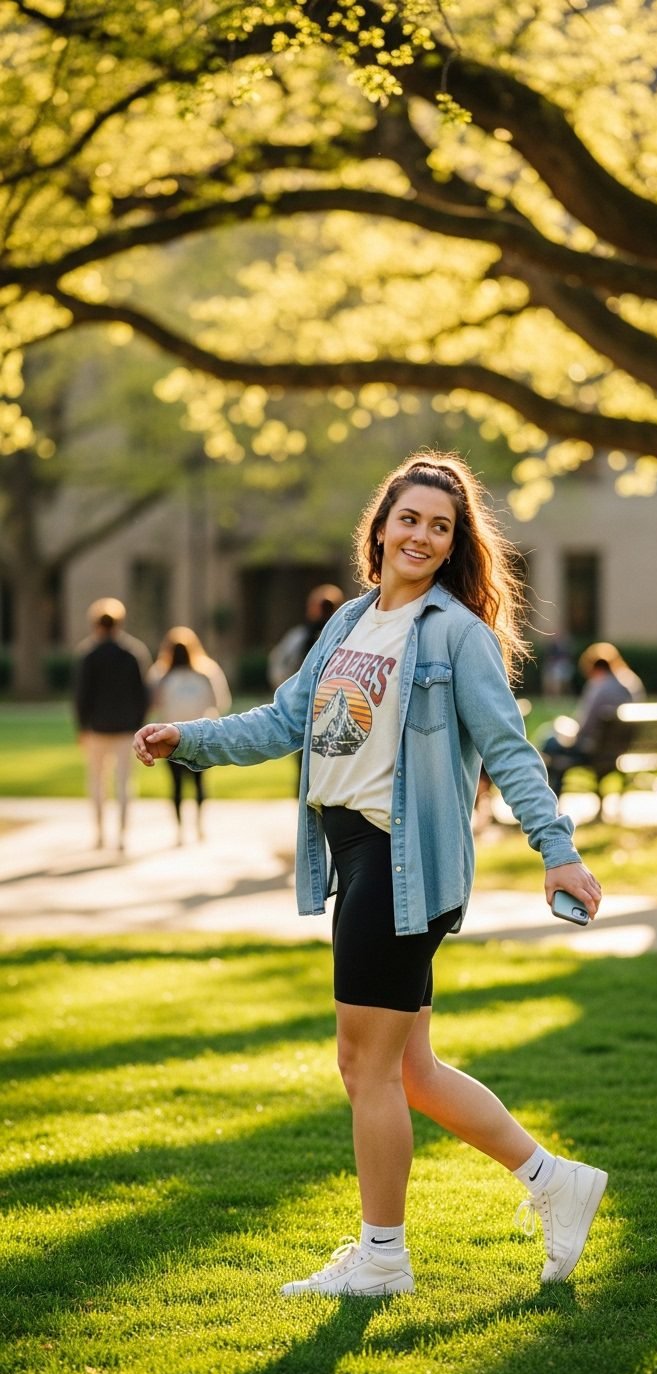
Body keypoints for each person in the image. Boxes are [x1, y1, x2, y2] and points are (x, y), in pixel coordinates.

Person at [134, 450, 606, 1297]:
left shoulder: (457, 633)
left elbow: (509, 748)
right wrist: (192, 739)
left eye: (441, 526)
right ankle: (555, 1183)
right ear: (381, 527)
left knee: (366, 1068)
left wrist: (557, 848)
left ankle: (384, 1258)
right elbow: (286, 720)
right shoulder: (350, 622)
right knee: (410, 1069)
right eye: (410, 519)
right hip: (357, 856)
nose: (422, 535)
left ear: (455, 543)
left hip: (404, 862)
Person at [74, 597, 151, 851]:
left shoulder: (89, 654)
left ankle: (99, 833)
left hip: (97, 728)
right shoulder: (132, 653)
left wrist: (82, 727)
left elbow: (82, 695)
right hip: (126, 728)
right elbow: (142, 695)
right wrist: (139, 724)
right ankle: (122, 834)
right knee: (124, 784)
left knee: (97, 783)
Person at [538, 642, 645, 800]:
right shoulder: (631, 684)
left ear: (595, 668)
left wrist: (564, 730)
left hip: (595, 751)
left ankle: (547, 798)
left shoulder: (599, 686)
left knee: (550, 742)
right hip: (622, 749)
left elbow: (584, 728)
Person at [149, 634, 229, 842]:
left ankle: (179, 829)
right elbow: (220, 703)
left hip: (170, 738)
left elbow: (155, 705)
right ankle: (199, 825)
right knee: (199, 782)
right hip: (199, 736)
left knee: (176, 785)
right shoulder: (205, 675)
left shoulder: (161, 677)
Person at [268, 584, 345, 792]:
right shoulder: (303, 637)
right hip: (320, 706)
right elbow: (279, 663)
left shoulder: (307, 636)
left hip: (323, 707)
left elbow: (278, 663)